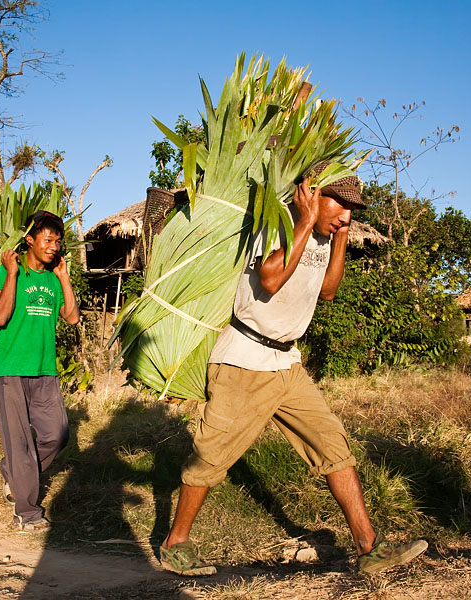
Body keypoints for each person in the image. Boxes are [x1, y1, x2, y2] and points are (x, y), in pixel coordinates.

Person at [158, 170, 428, 575]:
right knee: (211, 457)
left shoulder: (327, 234)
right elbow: (269, 279)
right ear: (312, 194)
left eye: (353, 211)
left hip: (287, 363)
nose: (347, 217)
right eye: (342, 206)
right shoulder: (277, 223)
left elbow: (329, 290)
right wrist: (303, 221)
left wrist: (338, 237)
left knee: (332, 445)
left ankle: (369, 547)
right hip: (244, 361)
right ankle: (176, 543)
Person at [0, 211, 80, 532]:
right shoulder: (7, 273)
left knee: (58, 434)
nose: (54, 247)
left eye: (58, 241)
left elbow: (71, 317)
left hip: (44, 371)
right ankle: (27, 512)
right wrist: (12, 273)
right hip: (10, 371)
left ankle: (13, 471)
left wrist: (65, 277)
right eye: (48, 240)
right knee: (20, 445)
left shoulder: (53, 280)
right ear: (30, 240)